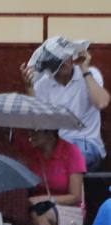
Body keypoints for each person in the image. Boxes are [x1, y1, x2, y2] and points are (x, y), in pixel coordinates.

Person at [25, 36, 108, 171]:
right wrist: (29, 87)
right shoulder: (42, 83)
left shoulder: (90, 74)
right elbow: (36, 120)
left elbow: (102, 103)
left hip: (86, 143)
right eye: (58, 59)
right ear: (50, 64)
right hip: (55, 144)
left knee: (71, 161)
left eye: (66, 56)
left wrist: (85, 70)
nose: (64, 62)